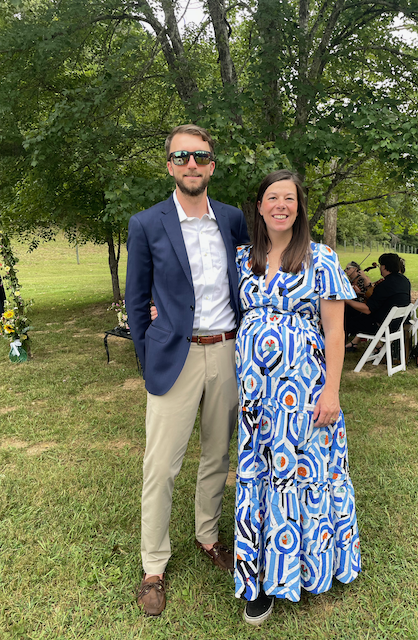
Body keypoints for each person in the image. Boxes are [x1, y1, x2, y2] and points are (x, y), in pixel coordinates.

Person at [125, 124, 250, 616]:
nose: (191, 165)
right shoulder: (147, 223)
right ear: (170, 165)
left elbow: (246, 279)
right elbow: (137, 300)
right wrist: (147, 351)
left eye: (200, 156)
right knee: (161, 465)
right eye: (182, 157)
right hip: (173, 355)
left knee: (217, 455)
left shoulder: (233, 219)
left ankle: (206, 536)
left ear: (212, 164)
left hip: (226, 352)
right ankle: (153, 565)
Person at [234, 170, 361, 625]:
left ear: (299, 207)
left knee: (303, 474)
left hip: (303, 392)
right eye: (273, 197)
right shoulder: (243, 258)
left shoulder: (321, 258)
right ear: (260, 206)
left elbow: (335, 331)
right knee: (259, 473)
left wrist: (332, 390)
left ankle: (306, 569)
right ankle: (259, 579)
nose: (281, 205)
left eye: (289, 198)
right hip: (255, 394)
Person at [344, 253, 411, 351]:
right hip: (398, 322)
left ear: (384, 267)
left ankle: (339, 349)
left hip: (384, 326)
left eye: (380, 266)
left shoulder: (385, 284)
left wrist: (346, 300)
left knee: (346, 318)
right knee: (353, 313)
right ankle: (360, 345)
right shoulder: (404, 281)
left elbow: (367, 310)